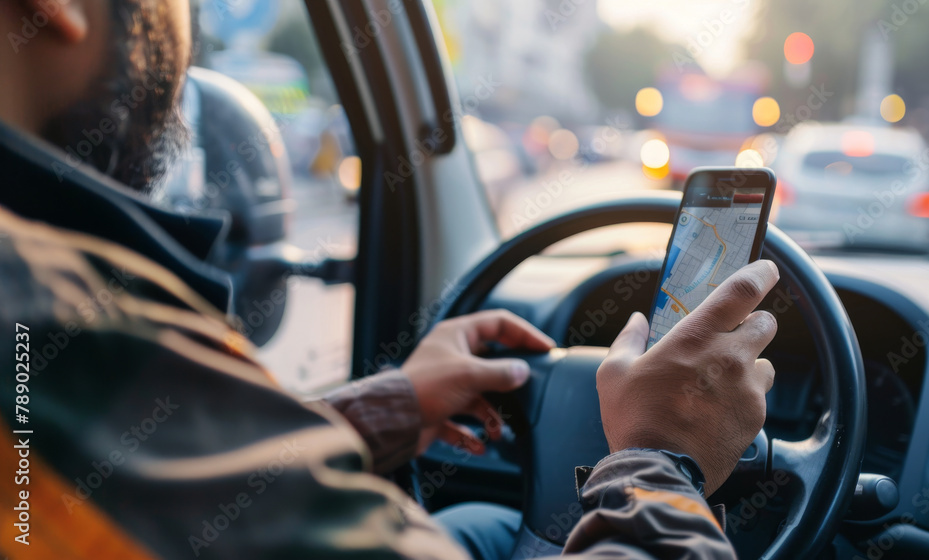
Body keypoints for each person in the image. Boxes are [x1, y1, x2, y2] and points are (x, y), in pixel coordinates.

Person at [0, 1, 778, 559]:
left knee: (475, 524)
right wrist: (661, 461)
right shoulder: (57, 330)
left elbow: (173, 499)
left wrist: (386, 406)